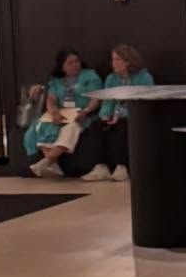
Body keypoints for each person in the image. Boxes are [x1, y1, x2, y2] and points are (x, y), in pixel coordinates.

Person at [23, 49, 103, 178]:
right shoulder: (56, 81)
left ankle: (47, 161)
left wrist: (86, 111)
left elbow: (96, 98)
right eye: (70, 63)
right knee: (40, 126)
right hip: (62, 113)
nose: (75, 65)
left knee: (71, 128)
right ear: (62, 67)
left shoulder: (90, 76)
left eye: (77, 61)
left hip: (82, 113)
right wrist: (54, 113)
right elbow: (51, 100)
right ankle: (53, 164)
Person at [81, 45, 154, 182]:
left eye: (117, 59)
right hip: (114, 115)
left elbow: (143, 103)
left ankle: (122, 167)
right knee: (96, 125)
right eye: (113, 59)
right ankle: (100, 167)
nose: (113, 63)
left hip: (136, 116)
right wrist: (105, 115)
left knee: (122, 125)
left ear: (128, 61)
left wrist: (119, 115)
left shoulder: (144, 77)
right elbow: (108, 100)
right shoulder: (111, 78)